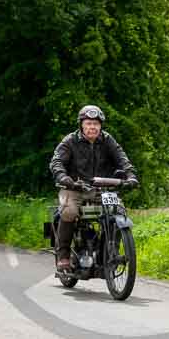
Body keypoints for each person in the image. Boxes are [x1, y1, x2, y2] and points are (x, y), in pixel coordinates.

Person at [49, 105, 139, 271]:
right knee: (69, 211)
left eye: (96, 124)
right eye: (89, 123)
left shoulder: (107, 140)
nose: (92, 127)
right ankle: (63, 255)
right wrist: (64, 178)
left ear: (101, 126)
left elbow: (122, 159)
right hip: (74, 187)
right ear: (82, 125)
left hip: (102, 189)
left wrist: (131, 176)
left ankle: (109, 252)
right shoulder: (70, 141)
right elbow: (57, 162)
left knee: (118, 211)